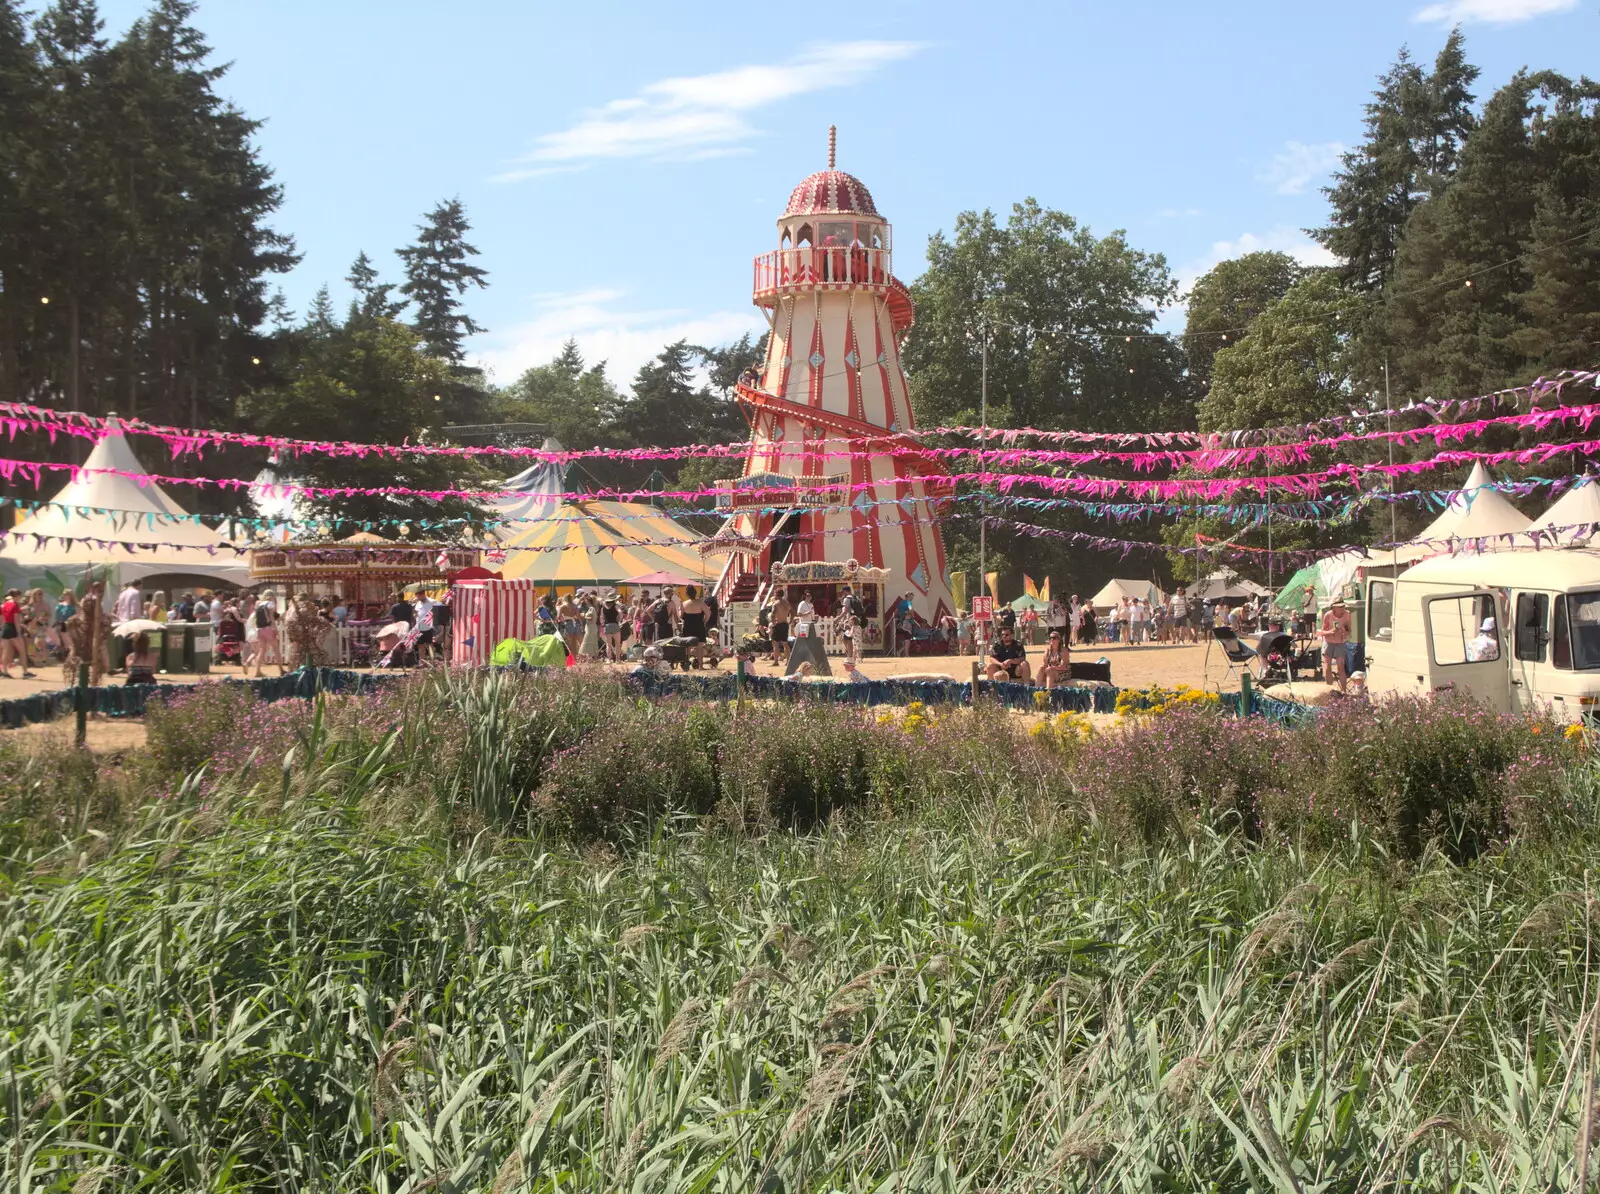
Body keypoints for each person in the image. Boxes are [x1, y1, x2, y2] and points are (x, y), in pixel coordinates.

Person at [0, 588, 35, 677]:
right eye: (19, 596)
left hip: (5, 628)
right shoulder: (15, 605)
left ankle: (4, 671)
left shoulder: (3, 605)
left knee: (5, 651)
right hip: (12, 628)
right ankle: (25, 672)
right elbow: (16, 620)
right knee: (22, 651)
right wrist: (18, 632)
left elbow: (2, 620)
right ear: (16, 596)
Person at [1320, 595, 1353, 689]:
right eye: (1339, 607)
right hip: (1329, 642)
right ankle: (1329, 691)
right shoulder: (1328, 615)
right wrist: (1331, 632)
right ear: (1333, 607)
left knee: (1341, 667)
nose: (1342, 609)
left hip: (1340, 643)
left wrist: (1344, 632)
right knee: (1327, 667)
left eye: (1343, 606)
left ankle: (1343, 692)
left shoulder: (1347, 614)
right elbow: (1322, 632)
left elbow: (1349, 631)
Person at [250, 589, 284, 677]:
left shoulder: (259, 604)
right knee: (276, 649)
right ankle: (281, 670)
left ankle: (257, 671)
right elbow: (271, 618)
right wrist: (275, 629)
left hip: (260, 629)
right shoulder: (270, 604)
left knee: (262, 651)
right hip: (268, 629)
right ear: (272, 596)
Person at [680, 586, 709, 667]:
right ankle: (701, 666)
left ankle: (686, 664)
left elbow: (681, 616)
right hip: (699, 625)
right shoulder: (701, 603)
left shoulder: (684, 603)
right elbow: (708, 613)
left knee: (687, 647)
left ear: (687, 594)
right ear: (695, 593)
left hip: (688, 626)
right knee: (699, 646)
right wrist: (705, 620)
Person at [838, 584, 866, 664]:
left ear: (845, 591)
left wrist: (838, 618)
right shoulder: (856, 598)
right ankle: (855, 656)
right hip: (857, 620)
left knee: (846, 638)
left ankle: (850, 656)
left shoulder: (846, 599)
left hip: (850, 620)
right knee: (855, 639)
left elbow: (845, 611)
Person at [768, 591, 791, 665]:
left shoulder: (776, 603)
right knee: (785, 643)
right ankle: (788, 661)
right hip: (785, 624)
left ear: (776, 595)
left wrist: (773, 622)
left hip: (778, 624)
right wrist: (790, 620)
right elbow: (792, 612)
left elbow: (773, 614)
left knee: (775, 644)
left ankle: (776, 661)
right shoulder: (787, 603)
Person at [602, 595, 624, 661]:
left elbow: (602, 617)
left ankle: (609, 660)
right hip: (615, 624)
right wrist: (619, 619)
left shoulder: (604, 607)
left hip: (607, 625)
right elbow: (620, 612)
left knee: (608, 644)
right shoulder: (615, 606)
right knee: (617, 643)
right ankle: (618, 659)